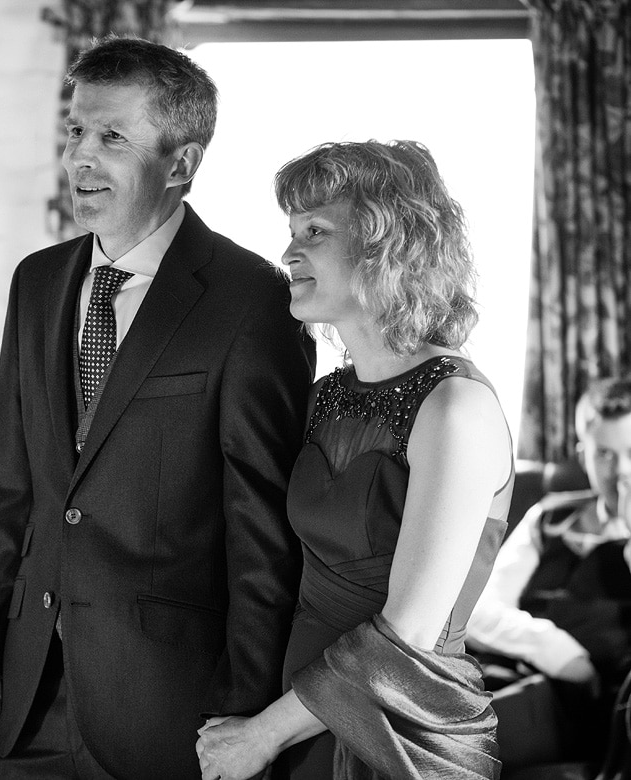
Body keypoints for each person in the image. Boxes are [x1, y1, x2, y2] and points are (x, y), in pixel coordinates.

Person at [0, 36, 315, 780]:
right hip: (24, 701)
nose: (80, 157)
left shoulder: (252, 303)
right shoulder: (38, 282)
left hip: (171, 713)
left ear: (180, 164)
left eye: (112, 136)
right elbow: (7, 491)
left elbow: (261, 534)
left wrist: (245, 720)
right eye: (75, 132)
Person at [196, 140, 515, 780]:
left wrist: (262, 734)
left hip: (398, 740)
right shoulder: (326, 396)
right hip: (301, 727)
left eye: (315, 231)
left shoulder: (457, 406)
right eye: (291, 230)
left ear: (386, 246)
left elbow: (411, 633)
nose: (288, 253)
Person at [467, 375, 631, 765]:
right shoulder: (550, 516)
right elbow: (480, 610)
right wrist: (558, 651)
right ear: (583, 454)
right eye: (605, 454)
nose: (621, 471)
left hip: (595, 703)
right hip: (517, 669)